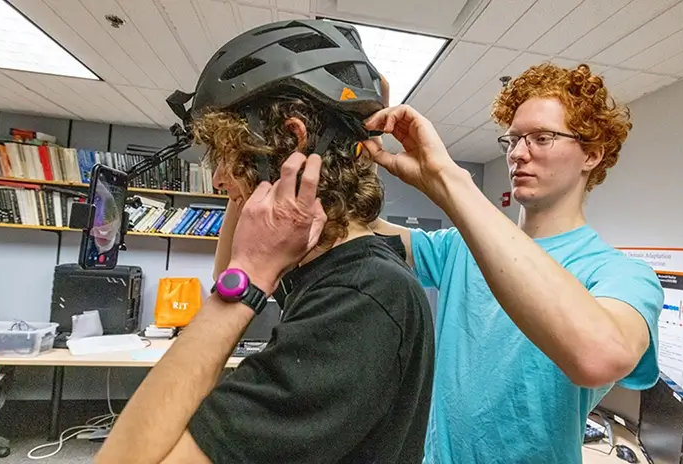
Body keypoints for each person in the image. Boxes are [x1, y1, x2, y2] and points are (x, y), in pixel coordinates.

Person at [96, 19, 434, 464]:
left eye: (223, 156)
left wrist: (252, 270)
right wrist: (270, 167)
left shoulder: (360, 298)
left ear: (292, 140)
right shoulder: (337, 266)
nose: (217, 179)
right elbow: (226, 276)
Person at [365, 63, 665, 462]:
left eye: (542, 138)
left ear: (591, 154)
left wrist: (450, 182)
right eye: (514, 139)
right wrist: (353, 156)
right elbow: (365, 235)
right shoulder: (461, 245)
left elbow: (600, 356)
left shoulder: (621, 275)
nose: (519, 154)